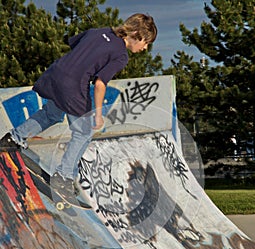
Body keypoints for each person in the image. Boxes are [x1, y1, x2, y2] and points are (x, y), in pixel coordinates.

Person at [0, 13, 157, 202]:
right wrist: (98, 114)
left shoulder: (99, 31)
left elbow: (74, 44)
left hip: (56, 72)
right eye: (145, 42)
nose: (145, 48)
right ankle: (63, 176)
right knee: (84, 132)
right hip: (74, 86)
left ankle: (14, 138)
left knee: (51, 113)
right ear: (135, 34)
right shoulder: (121, 55)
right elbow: (100, 84)